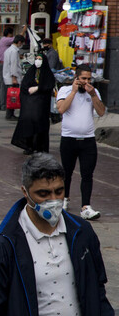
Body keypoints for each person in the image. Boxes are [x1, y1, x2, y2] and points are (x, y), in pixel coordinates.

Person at [0, 153, 115, 316]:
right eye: (43, 193)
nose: (53, 200)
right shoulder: (2, 246)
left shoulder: (82, 233)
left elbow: (98, 294)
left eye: (59, 191)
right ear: (25, 192)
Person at [57, 64, 105, 220]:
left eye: (89, 79)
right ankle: (64, 199)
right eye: (83, 78)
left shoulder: (93, 92)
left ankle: (86, 207)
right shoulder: (65, 90)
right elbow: (61, 109)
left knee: (87, 174)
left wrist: (93, 95)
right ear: (76, 77)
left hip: (88, 140)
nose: (86, 82)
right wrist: (73, 91)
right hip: (69, 139)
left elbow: (101, 112)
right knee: (67, 172)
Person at [11, 53, 56, 154]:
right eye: (36, 59)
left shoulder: (47, 73)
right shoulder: (31, 71)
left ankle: (39, 147)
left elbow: (49, 85)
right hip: (29, 104)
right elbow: (24, 86)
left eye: (40, 59)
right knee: (28, 124)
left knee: (39, 125)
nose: (37, 61)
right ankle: (29, 146)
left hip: (41, 104)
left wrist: (38, 88)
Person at [3, 35, 25, 120]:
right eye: (22, 43)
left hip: (8, 76)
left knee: (10, 96)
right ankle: (10, 114)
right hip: (12, 78)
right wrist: (14, 77)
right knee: (12, 96)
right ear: (19, 42)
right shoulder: (14, 51)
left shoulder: (8, 50)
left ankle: (10, 114)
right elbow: (13, 65)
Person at [0, 27, 15, 110]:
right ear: (9, 34)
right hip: (4, 65)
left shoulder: (2, 40)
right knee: (3, 85)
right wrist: (24, 30)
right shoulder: (6, 40)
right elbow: (17, 39)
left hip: (0, 64)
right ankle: (3, 105)